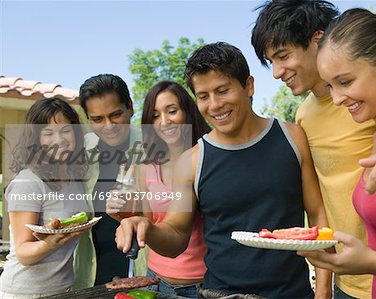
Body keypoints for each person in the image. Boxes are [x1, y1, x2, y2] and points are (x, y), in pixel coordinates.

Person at [251, 1, 376, 297]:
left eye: (345, 82)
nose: (338, 99)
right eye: (331, 86)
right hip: (353, 282)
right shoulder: (366, 122)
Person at [115, 42, 332, 298]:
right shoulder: (192, 160)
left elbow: (318, 216)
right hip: (220, 293)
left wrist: (324, 290)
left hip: (292, 293)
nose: (214, 105)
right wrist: (147, 227)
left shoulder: (292, 138)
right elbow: (175, 235)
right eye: (204, 96)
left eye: (222, 91)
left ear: (248, 85)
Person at [106, 81, 210, 298]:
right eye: (155, 115)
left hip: (203, 283)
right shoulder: (146, 166)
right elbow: (148, 221)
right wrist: (121, 217)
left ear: (187, 112)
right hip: (156, 280)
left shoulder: (206, 157)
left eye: (172, 111)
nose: (164, 121)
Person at [0, 98, 89, 297]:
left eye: (65, 130)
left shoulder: (75, 178)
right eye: (48, 133)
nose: (59, 140)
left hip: (63, 288)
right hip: (26, 292)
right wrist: (52, 242)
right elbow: (23, 253)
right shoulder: (28, 182)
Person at [72, 74, 142, 288]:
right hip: (91, 268)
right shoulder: (81, 149)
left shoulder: (153, 146)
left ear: (130, 107)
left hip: (138, 266)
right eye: (97, 119)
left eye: (116, 115)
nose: (108, 126)